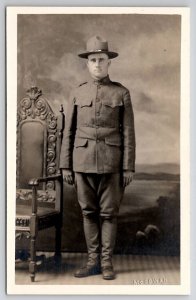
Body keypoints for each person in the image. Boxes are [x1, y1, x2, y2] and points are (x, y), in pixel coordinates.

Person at [60, 35, 136, 280]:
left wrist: (128, 168)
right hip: (81, 162)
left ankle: (106, 263)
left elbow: (128, 133)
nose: (97, 64)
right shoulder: (77, 93)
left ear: (109, 62)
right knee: (88, 213)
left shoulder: (121, 93)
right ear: (87, 63)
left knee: (109, 214)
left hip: (112, 163)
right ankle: (92, 261)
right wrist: (65, 165)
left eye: (101, 59)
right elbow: (68, 131)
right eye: (92, 60)